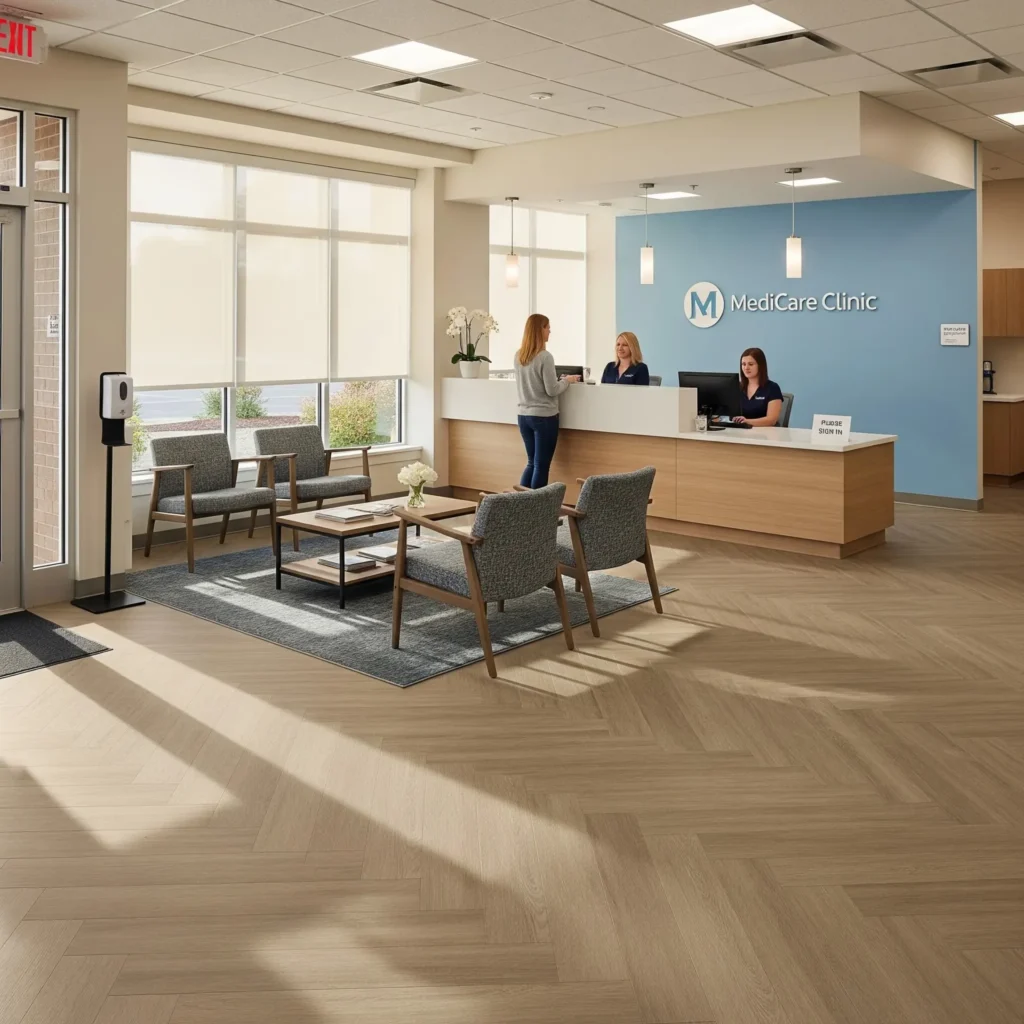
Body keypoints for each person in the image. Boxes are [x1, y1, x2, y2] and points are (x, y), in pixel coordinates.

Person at [514, 313, 580, 488]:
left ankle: (520, 506)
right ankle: (538, 511)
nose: (550, 330)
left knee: (531, 463)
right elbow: (552, 390)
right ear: (539, 330)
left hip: (523, 416)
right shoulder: (545, 357)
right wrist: (568, 380)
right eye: (547, 327)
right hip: (544, 417)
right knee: (541, 466)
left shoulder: (519, 356)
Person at [733, 346, 783, 426]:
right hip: (739, 432)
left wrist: (747, 421)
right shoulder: (736, 387)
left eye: (751, 364)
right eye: (743, 364)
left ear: (760, 366)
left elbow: (771, 420)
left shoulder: (772, 388)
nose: (746, 368)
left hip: (765, 435)